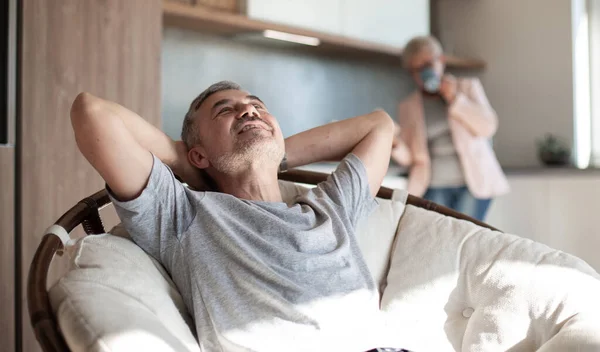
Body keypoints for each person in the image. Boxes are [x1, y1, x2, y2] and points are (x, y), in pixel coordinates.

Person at [70, 81, 411, 352]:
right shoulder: (185, 213)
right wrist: (184, 161)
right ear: (199, 154)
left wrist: (273, 153)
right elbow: (91, 112)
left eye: (258, 106)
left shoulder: (331, 207)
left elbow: (380, 125)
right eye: (225, 111)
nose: (249, 109)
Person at [391, 36, 509, 221]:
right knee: (439, 238)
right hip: (433, 185)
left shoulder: (467, 87)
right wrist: (393, 143)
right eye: (417, 69)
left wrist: (455, 99)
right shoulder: (408, 106)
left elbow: (488, 127)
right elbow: (409, 158)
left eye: (428, 64)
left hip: (473, 184)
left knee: (465, 236)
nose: (425, 72)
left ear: (441, 61)